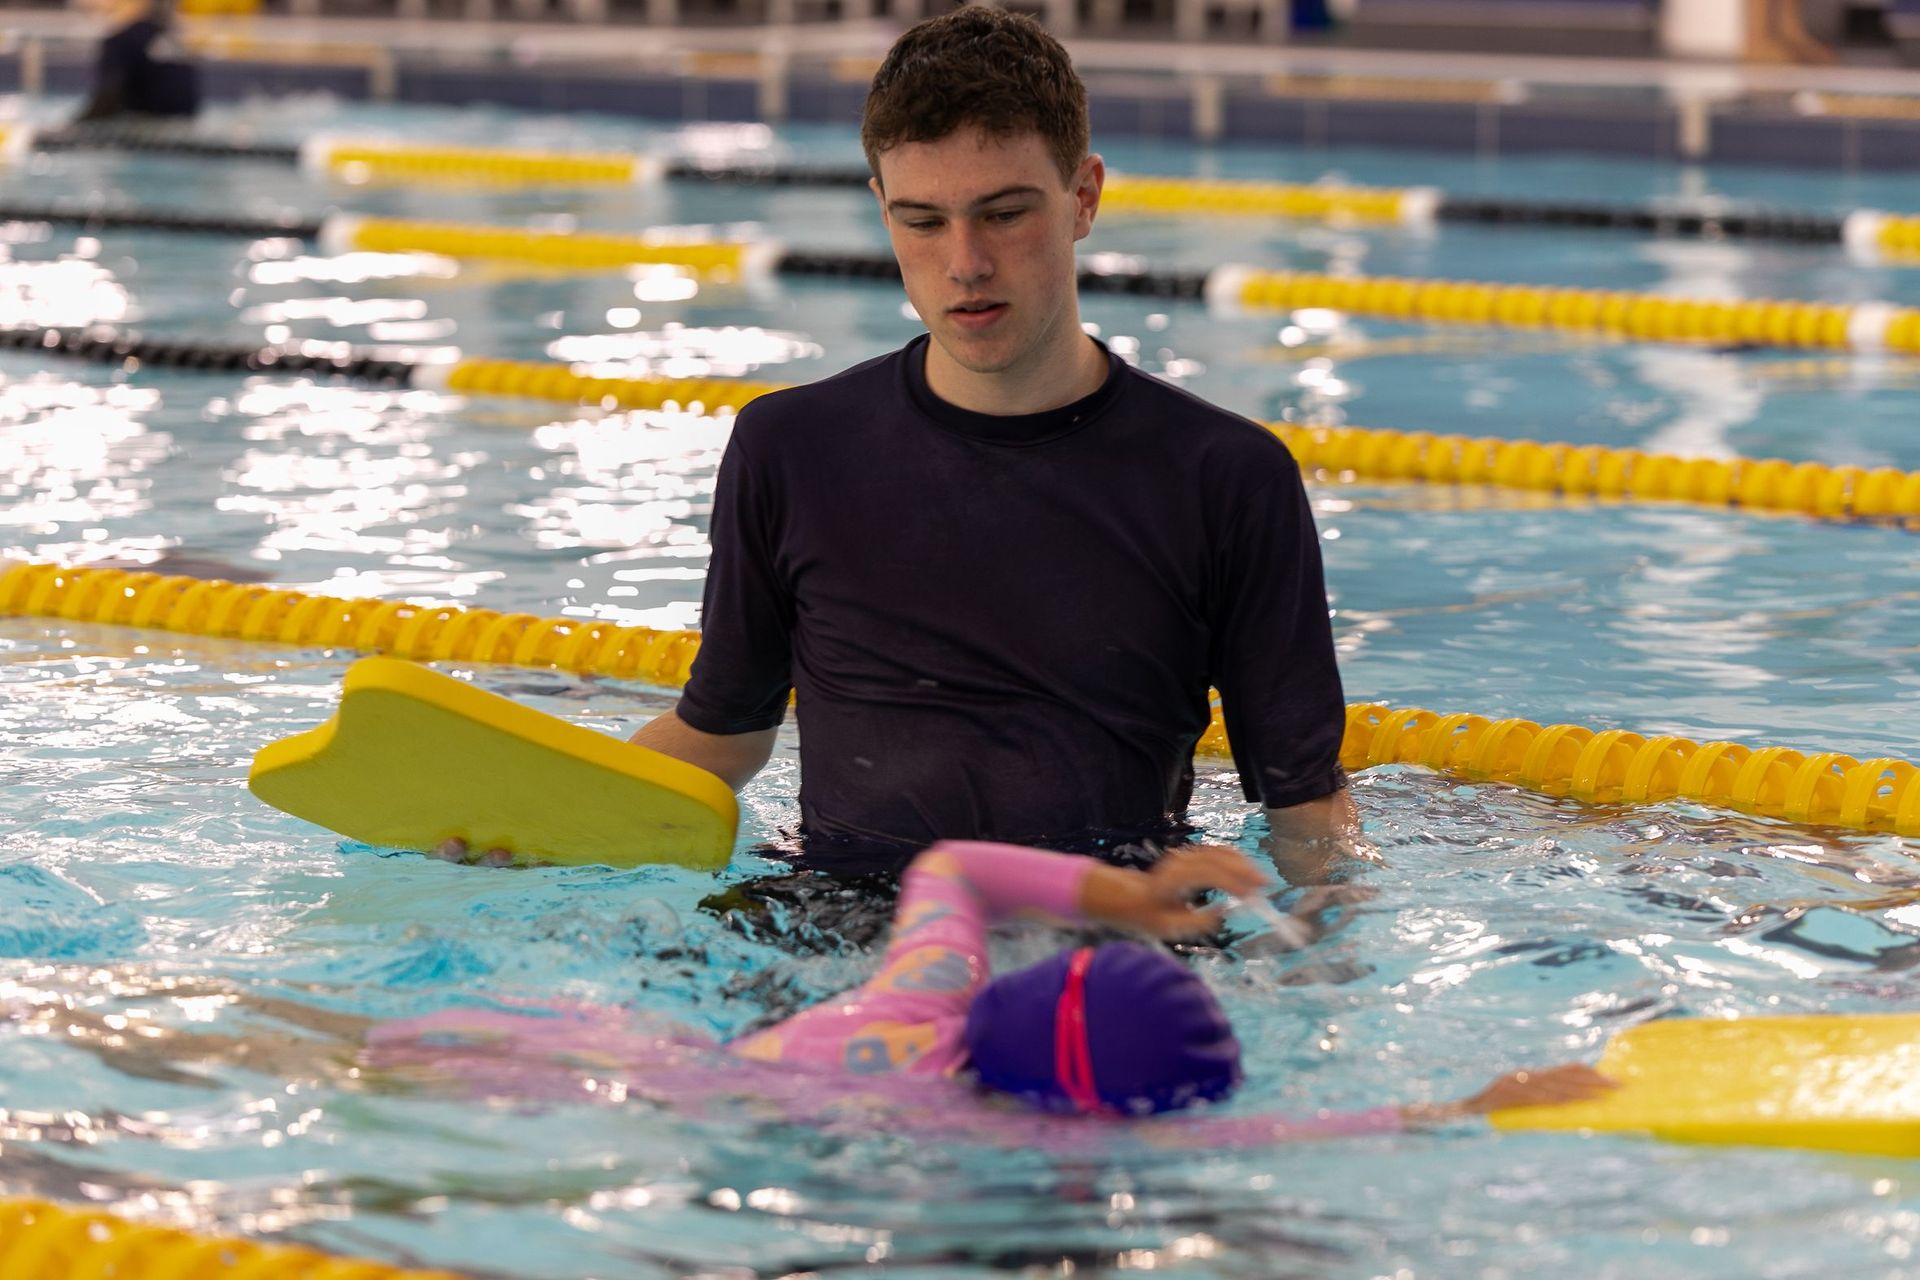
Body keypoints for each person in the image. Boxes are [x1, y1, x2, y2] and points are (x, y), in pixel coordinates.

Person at [611, 6, 1365, 886]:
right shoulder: (791, 447)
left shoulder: (1225, 478)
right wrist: (527, 816)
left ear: (1083, 197)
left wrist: (1323, 980)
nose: (965, 262)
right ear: (881, 211)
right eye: (922, 221)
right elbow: (722, 734)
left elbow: (1305, 809)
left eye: (1003, 214)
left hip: (1101, 958)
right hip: (842, 946)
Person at [20, 841, 1611, 1145]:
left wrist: (1114, 893)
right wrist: (1470, 1106)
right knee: (237, 1065)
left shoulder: (927, 999)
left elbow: (952, 867)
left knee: (237, 1027)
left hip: (597, 1035)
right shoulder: (971, 1117)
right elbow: (1278, 1140)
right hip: (597, 1094)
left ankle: (59, 1003)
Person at [71, 0, 201, 126]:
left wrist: (75, 126)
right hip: (186, 127)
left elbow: (108, 98)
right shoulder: (172, 37)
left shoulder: (119, 42)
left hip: (143, 130)